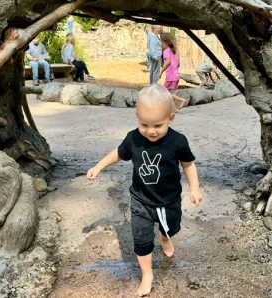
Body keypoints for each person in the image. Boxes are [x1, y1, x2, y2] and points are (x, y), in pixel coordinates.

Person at [86, 84, 203, 297]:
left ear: (171, 118)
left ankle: (165, 237)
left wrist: (194, 189)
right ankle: (146, 273)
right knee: (140, 239)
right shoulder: (134, 138)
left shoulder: (178, 141)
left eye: (158, 125)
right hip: (141, 201)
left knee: (171, 228)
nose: (150, 131)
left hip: (169, 201)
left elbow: (188, 164)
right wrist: (98, 166)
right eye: (144, 124)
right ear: (137, 116)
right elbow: (118, 153)